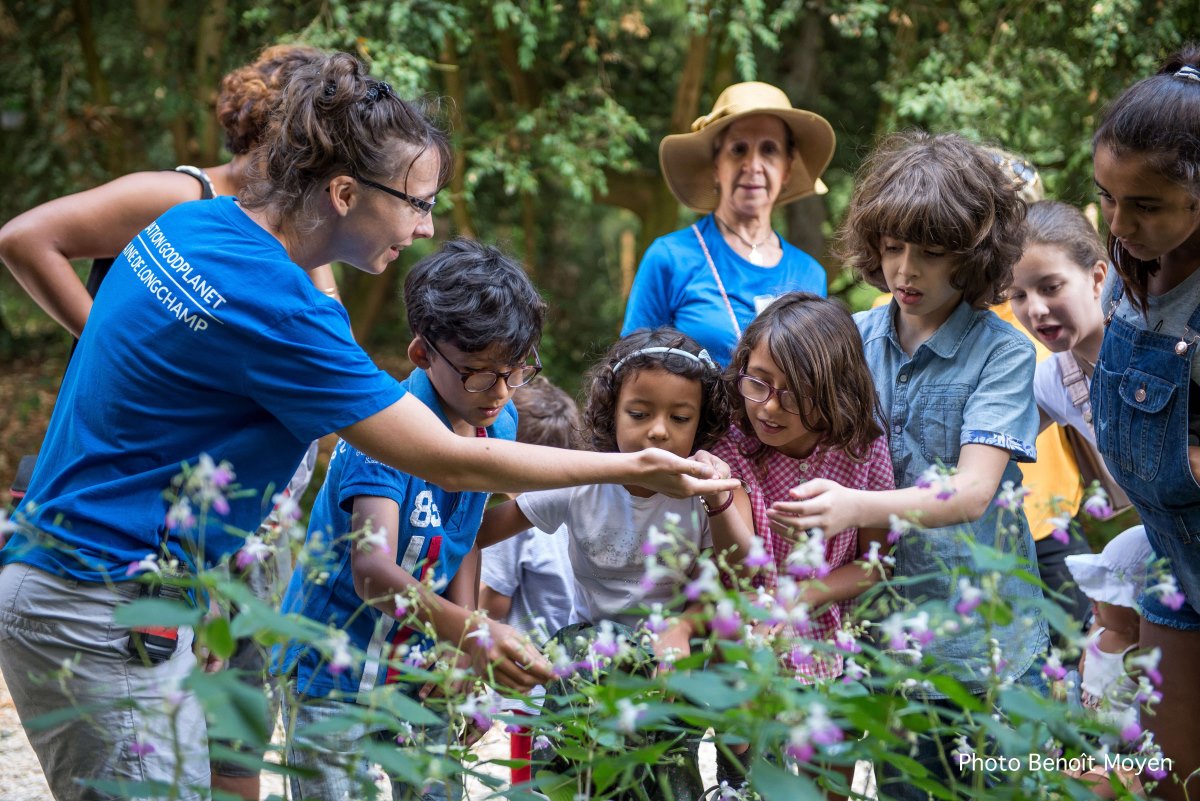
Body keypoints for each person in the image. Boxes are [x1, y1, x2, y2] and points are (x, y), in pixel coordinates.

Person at [0, 52, 735, 801]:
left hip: (89, 593)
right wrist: (631, 466)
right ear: (345, 192)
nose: (425, 226)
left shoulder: (191, 227)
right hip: (96, 610)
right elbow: (448, 461)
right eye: (416, 202)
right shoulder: (283, 307)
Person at [0, 43, 334, 801]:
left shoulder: (296, 232)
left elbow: (330, 334)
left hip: (242, 513)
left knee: (232, 724)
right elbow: (26, 238)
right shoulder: (182, 200)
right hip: (142, 512)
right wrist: (108, 341)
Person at [779, 132, 1048, 798]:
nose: (906, 270)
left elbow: (971, 492)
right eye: (893, 248)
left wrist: (854, 506)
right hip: (882, 646)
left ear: (975, 256)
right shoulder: (854, 338)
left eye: (930, 253)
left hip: (985, 654)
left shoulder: (1003, 354)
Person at [276, 238, 542, 801]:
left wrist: (460, 648)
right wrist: (475, 633)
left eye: (514, 371)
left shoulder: (500, 421)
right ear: (423, 354)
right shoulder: (384, 434)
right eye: (477, 373)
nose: (497, 392)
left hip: (419, 666)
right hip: (333, 666)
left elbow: (462, 537)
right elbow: (371, 573)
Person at [477, 328, 734, 800]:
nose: (658, 430)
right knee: (579, 779)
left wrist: (682, 627)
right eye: (639, 413)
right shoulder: (583, 480)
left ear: (700, 425)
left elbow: (727, 581)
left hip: (671, 667)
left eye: (680, 417)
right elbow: (475, 534)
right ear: (610, 412)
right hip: (587, 665)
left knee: (664, 784)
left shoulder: (699, 494)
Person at [698, 292, 894, 789]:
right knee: (744, 772)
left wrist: (802, 597)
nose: (768, 406)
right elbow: (738, 568)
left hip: (830, 637)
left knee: (827, 777)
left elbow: (875, 565)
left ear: (832, 391)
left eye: (793, 393)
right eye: (758, 381)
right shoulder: (732, 449)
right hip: (746, 632)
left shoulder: (862, 451)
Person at [1089, 45, 1200, 800]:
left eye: (1146, 205)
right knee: (1170, 779)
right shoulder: (1127, 276)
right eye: (1106, 197)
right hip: (1172, 561)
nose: (1120, 223)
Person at [622, 82, 834, 365]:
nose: (753, 165)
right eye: (738, 149)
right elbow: (630, 368)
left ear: (787, 168)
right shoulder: (670, 258)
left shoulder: (810, 275)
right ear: (715, 165)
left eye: (769, 150)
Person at [479, 376, 582, 786]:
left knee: (527, 784)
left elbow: (494, 604)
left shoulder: (514, 524)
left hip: (528, 681)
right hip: (574, 678)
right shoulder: (579, 507)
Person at [1062, 525, 1153, 797]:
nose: (1093, 596)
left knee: (1087, 791)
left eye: (1106, 594)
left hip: (1126, 754)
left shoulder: (1140, 656)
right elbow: (1084, 671)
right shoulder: (1098, 627)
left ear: (1137, 609)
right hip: (1088, 733)